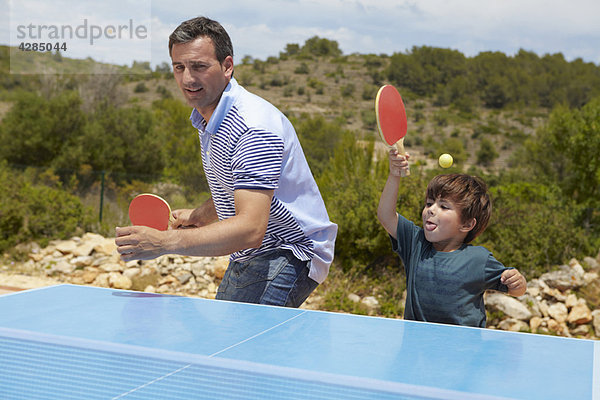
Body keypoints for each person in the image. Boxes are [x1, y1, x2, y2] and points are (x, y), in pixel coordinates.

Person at [115, 16, 337, 308]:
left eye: (199, 66)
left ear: (227, 66)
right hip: (252, 252)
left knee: (231, 347)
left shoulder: (252, 127)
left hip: (288, 253)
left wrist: (163, 243)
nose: (187, 79)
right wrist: (199, 214)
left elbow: (249, 228)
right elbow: (243, 191)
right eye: (179, 67)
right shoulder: (208, 118)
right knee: (228, 344)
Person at [377, 150, 526, 327]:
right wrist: (395, 175)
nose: (431, 210)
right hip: (417, 347)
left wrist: (517, 281)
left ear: (466, 224)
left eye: (444, 206)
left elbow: (516, 291)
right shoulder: (416, 243)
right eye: (429, 203)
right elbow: (386, 216)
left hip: (462, 350)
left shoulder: (478, 259)